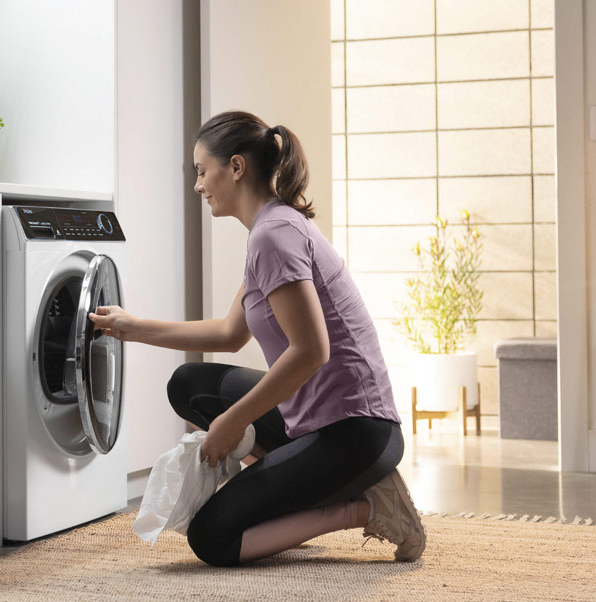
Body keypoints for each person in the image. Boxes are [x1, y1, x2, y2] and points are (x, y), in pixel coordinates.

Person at [87, 110, 425, 567]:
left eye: (203, 171)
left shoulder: (273, 236)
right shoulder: (271, 228)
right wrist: (135, 327)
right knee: (189, 383)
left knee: (213, 538)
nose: (198, 184)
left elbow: (311, 351)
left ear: (237, 167)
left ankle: (371, 506)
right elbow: (229, 334)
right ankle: (293, 497)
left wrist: (231, 422)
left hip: (356, 433)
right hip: (319, 420)